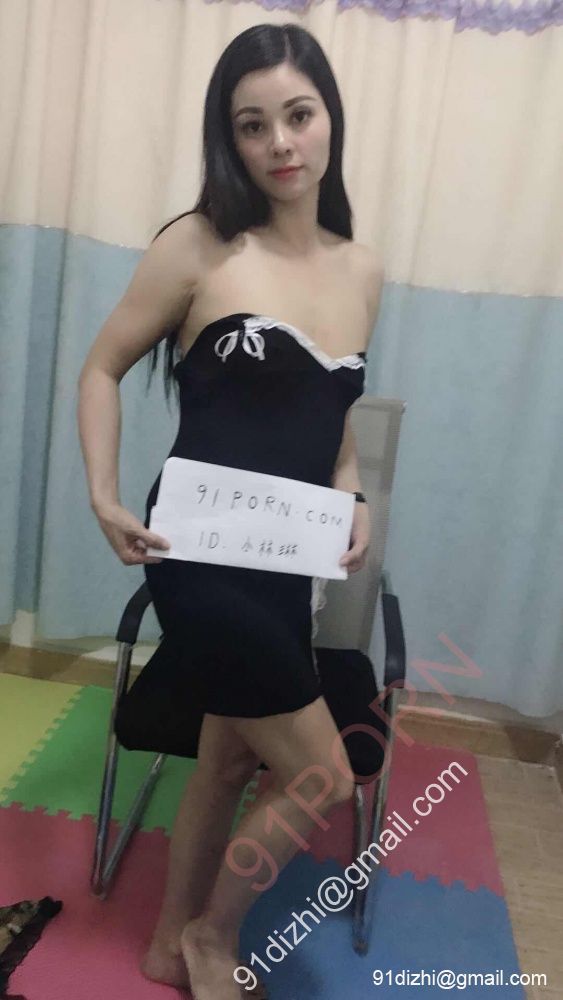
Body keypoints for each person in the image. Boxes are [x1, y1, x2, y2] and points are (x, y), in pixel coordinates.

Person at [78, 22, 383, 1000]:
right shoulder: (198, 243)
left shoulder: (361, 268)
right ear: (230, 137)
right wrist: (103, 495)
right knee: (322, 774)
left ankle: (168, 947)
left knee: (221, 763)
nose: (279, 143)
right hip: (199, 550)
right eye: (252, 125)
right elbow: (102, 366)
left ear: (329, 117)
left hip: (285, 559)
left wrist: (350, 492)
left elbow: (332, 414)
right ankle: (215, 936)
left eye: (297, 115)